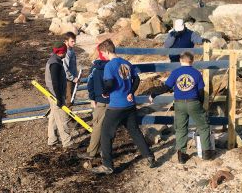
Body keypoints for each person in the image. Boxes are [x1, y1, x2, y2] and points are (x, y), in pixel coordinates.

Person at [90, 39, 156, 174]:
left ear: (107, 51)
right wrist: (131, 91)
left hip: (116, 105)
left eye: (103, 53)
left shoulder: (110, 66)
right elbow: (137, 79)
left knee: (106, 134)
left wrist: (105, 92)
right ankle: (149, 156)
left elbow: (109, 83)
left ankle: (107, 165)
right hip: (129, 104)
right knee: (134, 131)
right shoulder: (126, 63)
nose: (103, 55)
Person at [149, 51, 215, 164]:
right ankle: (206, 153)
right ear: (192, 61)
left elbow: (166, 87)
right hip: (193, 102)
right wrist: (200, 104)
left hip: (179, 103)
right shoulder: (196, 73)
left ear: (180, 60)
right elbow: (201, 92)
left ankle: (181, 156)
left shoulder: (175, 72)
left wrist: (153, 93)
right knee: (203, 126)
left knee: (181, 128)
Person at [77, 46, 109, 160]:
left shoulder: (95, 68)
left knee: (97, 127)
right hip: (114, 101)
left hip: (100, 101)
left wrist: (92, 98)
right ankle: (104, 151)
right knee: (109, 127)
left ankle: (91, 152)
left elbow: (90, 84)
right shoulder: (113, 65)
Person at [45, 42, 73, 148]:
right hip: (55, 95)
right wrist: (59, 99)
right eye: (65, 51)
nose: (66, 53)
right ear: (61, 52)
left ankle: (52, 140)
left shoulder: (54, 60)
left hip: (52, 94)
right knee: (62, 118)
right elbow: (55, 82)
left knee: (53, 117)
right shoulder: (55, 64)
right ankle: (67, 142)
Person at [63, 32, 79, 107]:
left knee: (72, 98)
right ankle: (67, 118)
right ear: (66, 41)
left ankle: (70, 117)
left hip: (72, 78)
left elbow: (73, 65)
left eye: (74, 41)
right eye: (72, 41)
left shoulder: (71, 50)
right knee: (69, 100)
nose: (74, 43)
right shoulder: (66, 52)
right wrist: (73, 78)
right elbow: (65, 68)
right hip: (68, 80)